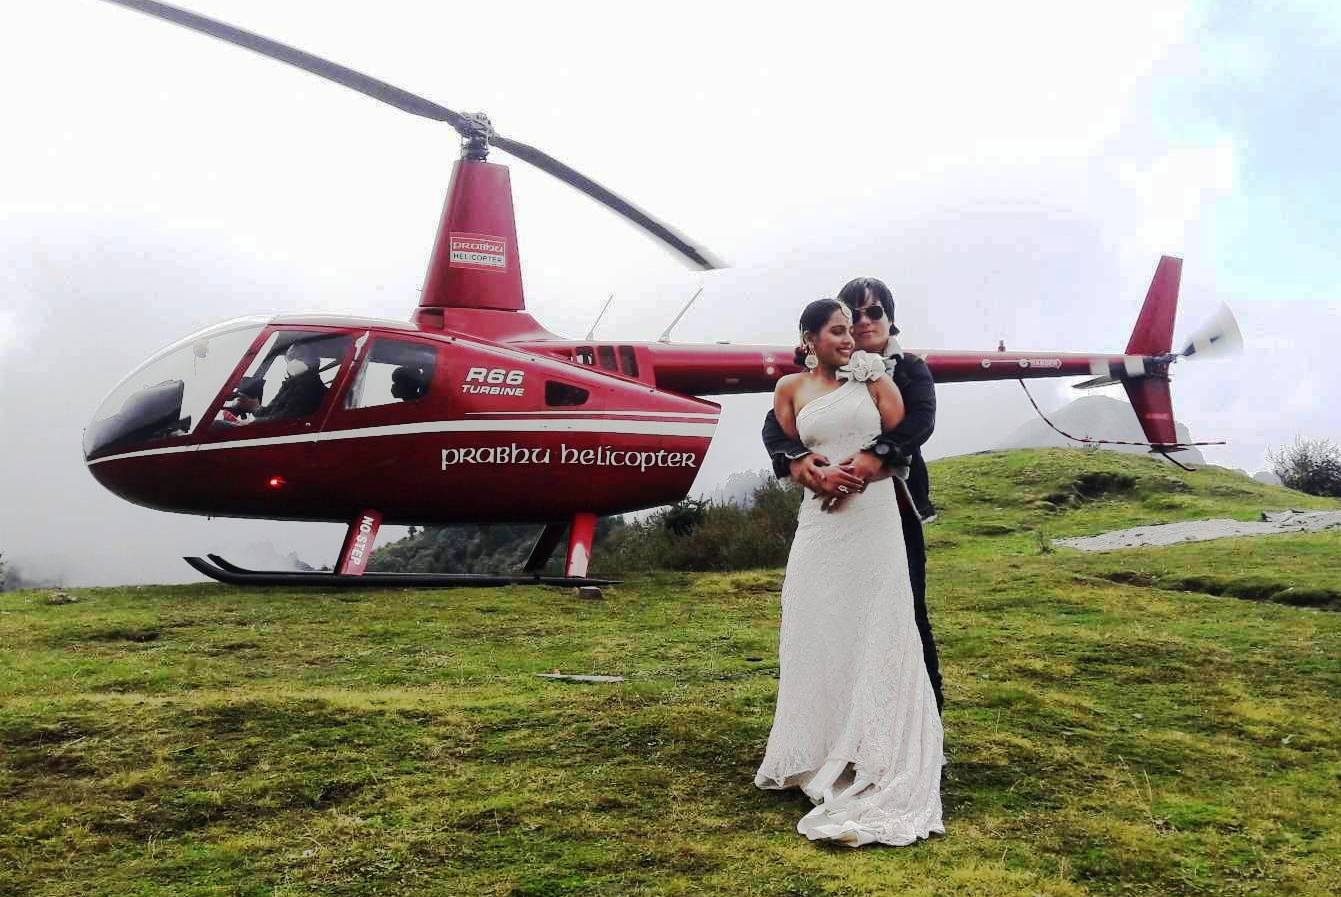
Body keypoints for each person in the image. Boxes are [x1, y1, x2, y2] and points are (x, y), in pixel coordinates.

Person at [754, 299, 945, 847]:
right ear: (809, 338)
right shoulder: (790, 387)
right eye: (838, 329)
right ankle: (820, 745)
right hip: (820, 523)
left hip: (874, 517)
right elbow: (783, 441)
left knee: (884, 623)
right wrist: (806, 468)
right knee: (816, 623)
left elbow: (907, 429)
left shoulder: (882, 373)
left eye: (855, 327)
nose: (851, 335)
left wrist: (870, 459)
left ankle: (883, 748)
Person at [761, 276, 943, 714]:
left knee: (906, 614)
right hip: (829, 516)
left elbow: (919, 421)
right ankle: (840, 716)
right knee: (830, 614)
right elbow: (775, 428)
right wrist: (797, 461)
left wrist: (875, 457)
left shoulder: (908, 369)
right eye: (852, 315)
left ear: (891, 319)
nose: (863, 322)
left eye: (874, 311)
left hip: (890, 513)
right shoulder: (809, 379)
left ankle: (920, 723)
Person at [222, 342, 328, 425]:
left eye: (299, 356)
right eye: (291, 356)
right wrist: (255, 407)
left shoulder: (309, 388)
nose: (293, 360)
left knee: (219, 426)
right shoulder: (291, 385)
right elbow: (273, 412)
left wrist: (248, 424)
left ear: (315, 362)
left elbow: (282, 420)